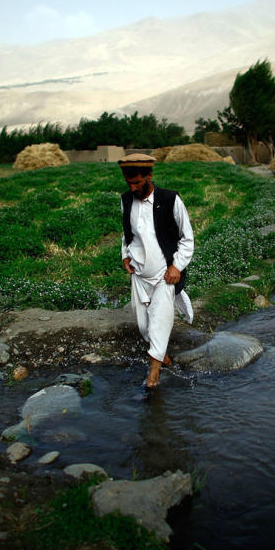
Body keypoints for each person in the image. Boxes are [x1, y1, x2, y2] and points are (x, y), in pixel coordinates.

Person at [119, 153, 195, 389]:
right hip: (139, 276)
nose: (133, 188)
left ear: (149, 176)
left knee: (158, 324)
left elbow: (187, 238)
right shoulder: (126, 200)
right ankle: (162, 355)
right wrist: (125, 255)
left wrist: (176, 266)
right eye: (129, 183)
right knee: (144, 327)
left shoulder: (170, 199)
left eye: (138, 183)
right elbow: (127, 234)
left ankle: (153, 376)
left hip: (164, 275)